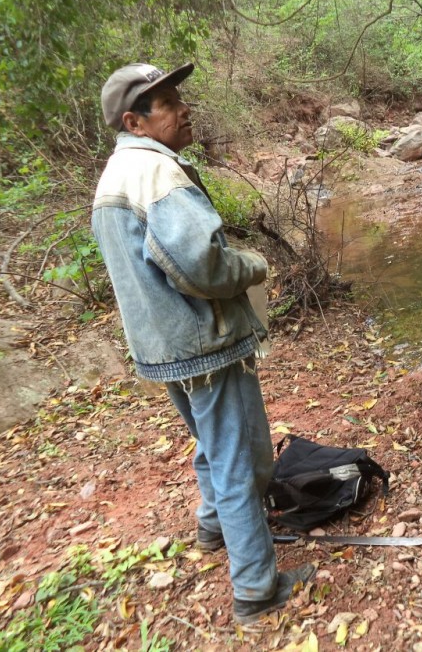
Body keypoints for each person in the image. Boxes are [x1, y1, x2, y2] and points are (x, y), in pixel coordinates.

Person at [93, 61, 315, 624]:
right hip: (204, 343)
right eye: (168, 102)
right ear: (135, 122)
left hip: (163, 347)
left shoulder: (114, 175)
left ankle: (213, 527)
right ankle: (256, 590)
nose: (184, 108)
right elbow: (203, 266)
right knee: (241, 460)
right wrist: (253, 265)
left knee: (212, 443)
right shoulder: (157, 173)